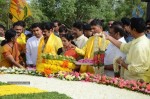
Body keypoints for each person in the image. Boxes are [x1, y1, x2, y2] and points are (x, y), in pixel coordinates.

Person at [105, 17, 150, 82]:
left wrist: (122, 63)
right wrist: (109, 37)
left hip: (136, 82)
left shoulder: (140, 46)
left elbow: (135, 69)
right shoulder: (139, 40)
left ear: (134, 29)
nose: (128, 29)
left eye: (129, 27)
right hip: (132, 80)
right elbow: (124, 47)